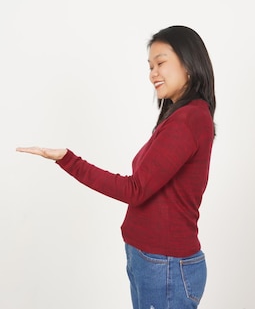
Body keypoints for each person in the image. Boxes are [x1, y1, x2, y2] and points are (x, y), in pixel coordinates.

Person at [16, 25, 216, 309]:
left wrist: (67, 159)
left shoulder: (189, 119)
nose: (152, 74)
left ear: (189, 63)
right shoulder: (181, 116)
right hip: (154, 261)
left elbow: (136, 190)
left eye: (161, 63)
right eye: (150, 66)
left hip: (166, 267)